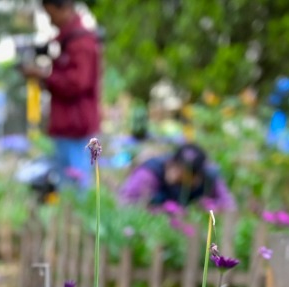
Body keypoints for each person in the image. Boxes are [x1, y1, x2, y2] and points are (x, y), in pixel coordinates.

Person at [21, 0, 101, 187]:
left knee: (76, 186)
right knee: (67, 185)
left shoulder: (81, 42)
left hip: (76, 126)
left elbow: (77, 83)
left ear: (64, 8)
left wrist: (44, 75)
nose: (50, 21)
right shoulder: (67, 41)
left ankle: (78, 217)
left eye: (50, 15)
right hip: (66, 125)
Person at [117, 142, 235, 213]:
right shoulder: (149, 173)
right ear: (172, 162)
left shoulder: (209, 176)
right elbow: (125, 203)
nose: (177, 174)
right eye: (178, 169)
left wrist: (208, 208)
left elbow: (229, 206)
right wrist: (159, 211)